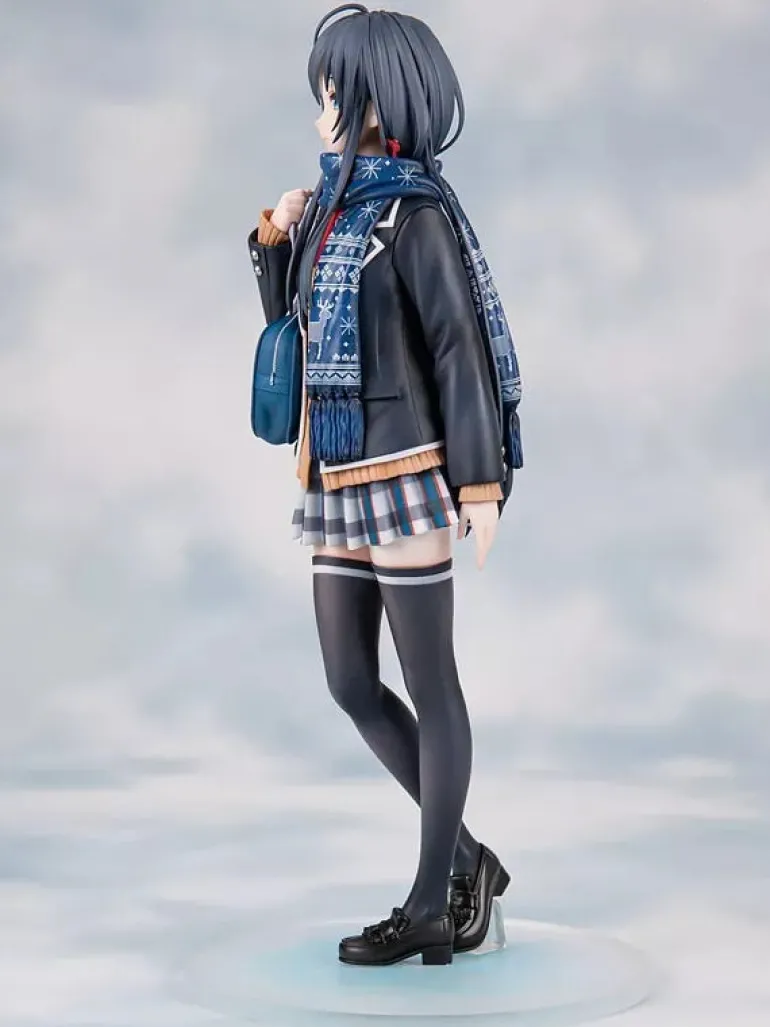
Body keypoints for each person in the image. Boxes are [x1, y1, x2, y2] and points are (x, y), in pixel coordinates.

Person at [247, 3, 523, 966]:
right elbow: (290, 328)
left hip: (406, 466)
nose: (320, 108)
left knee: (428, 679)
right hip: (334, 465)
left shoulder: (417, 213)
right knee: (350, 682)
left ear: (376, 98)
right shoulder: (331, 209)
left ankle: (433, 901)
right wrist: (277, 240)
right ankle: (471, 860)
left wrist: (480, 481)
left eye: (333, 90)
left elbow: (458, 349)